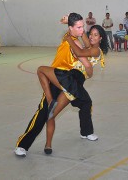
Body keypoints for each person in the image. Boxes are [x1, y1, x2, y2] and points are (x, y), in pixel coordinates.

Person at [14, 13, 104, 157]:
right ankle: (23, 145)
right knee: (44, 113)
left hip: (71, 79)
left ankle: (86, 132)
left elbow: (84, 53)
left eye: (85, 29)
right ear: (71, 28)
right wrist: (69, 28)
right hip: (57, 77)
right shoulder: (70, 40)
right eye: (81, 28)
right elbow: (82, 50)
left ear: (100, 38)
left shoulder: (84, 46)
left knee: (86, 103)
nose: (85, 32)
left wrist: (86, 63)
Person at [37, 21, 108, 154]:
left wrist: (69, 38)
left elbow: (79, 52)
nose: (92, 37)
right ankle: (48, 145)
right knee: (51, 115)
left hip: (73, 81)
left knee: (41, 70)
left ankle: (50, 99)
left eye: (95, 35)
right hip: (68, 79)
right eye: (91, 34)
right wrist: (72, 24)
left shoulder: (96, 50)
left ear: (101, 38)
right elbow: (82, 38)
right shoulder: (89, 46)